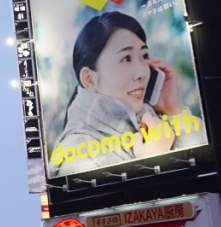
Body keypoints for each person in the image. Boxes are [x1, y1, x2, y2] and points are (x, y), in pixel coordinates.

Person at [49, 12, 191, 178]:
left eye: (144, 56)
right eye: (126, 58)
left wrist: (173, 110)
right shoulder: (78, 155)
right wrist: (151, 164)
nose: (142, 73)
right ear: (89, 79)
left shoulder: (153, 121)